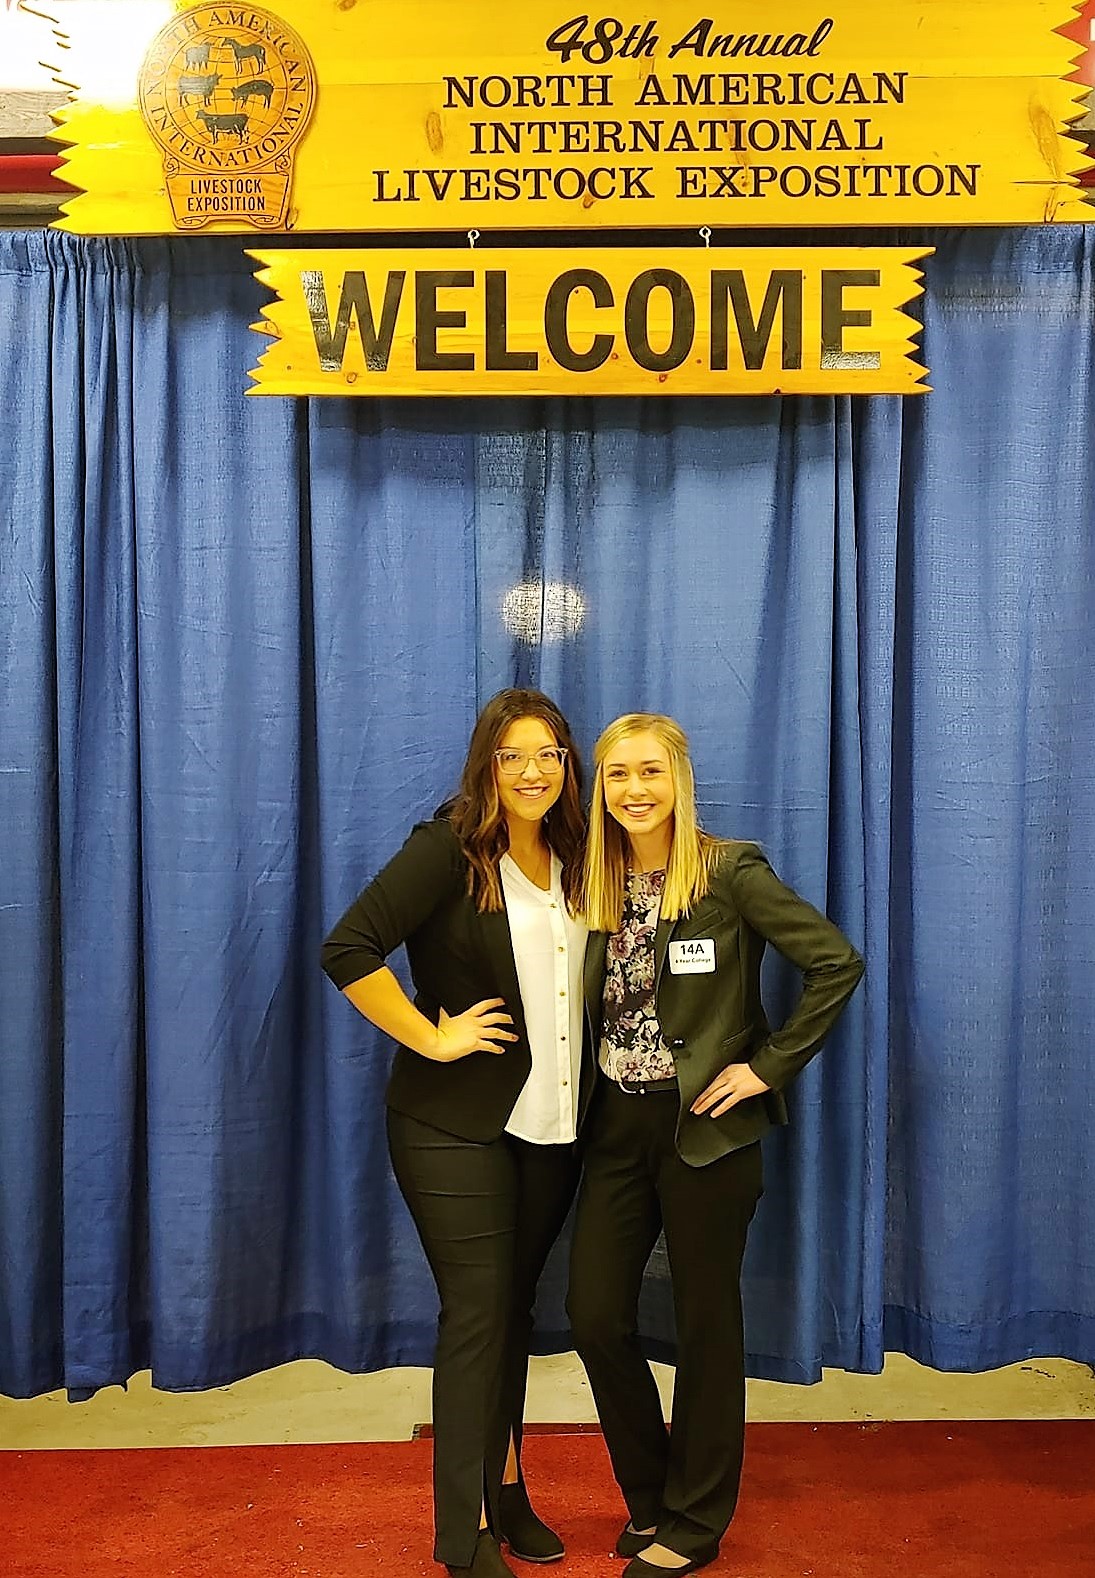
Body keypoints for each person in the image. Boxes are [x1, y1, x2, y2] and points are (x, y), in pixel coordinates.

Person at [567, 713, 864, 1578]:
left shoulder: (728, 870)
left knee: (705, 1324)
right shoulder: (590, 882)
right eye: (617, 774)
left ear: (679, 779)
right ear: (599, 787)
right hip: (614, 1127)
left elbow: (834, 963)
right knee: (593, 1315)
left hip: (705, 1131)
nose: (633, 790)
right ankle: (650, 1495)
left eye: (649, 771)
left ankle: (695, 1522)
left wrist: (766, 1068)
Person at [321, 690, 589, 1578]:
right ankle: (462, 1534)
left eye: (547, 754)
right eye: (512, 756)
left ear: (567, 765)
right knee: (477, 1314)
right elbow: (348, 949)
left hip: (550, 1124)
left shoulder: (577, 854)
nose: (531, 772)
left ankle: (506, 1492)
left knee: (511, 1313)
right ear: (486, 765)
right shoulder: (448, 847)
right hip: (451, 1126)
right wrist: (431, 1037)